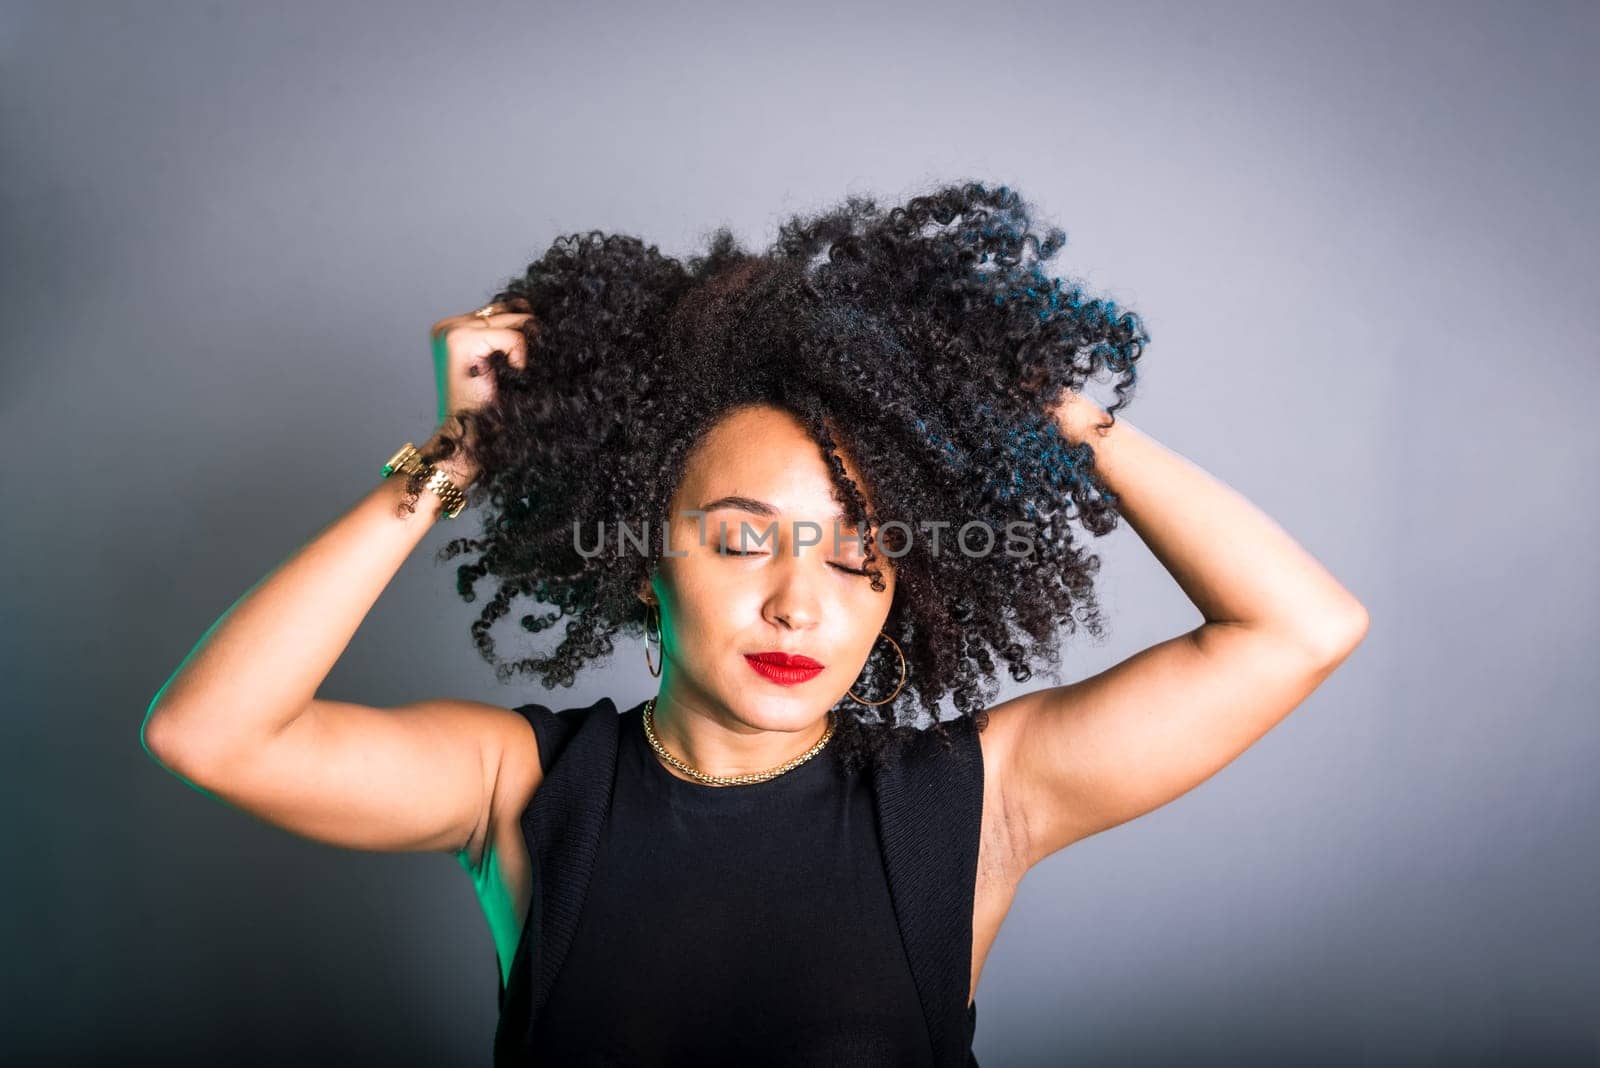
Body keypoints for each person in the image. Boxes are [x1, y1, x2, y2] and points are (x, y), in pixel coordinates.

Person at [141, 181, 1369, 1065]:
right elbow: (215, 736)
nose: (798, 601)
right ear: (639, 561)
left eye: (856, 559)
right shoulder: (517, 785)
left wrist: (1066, 420)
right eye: (739, 539)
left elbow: (1299, 627)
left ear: (904, 593)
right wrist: (461, 459)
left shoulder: (972, 800)